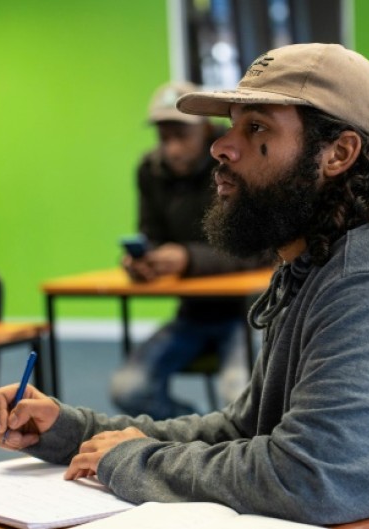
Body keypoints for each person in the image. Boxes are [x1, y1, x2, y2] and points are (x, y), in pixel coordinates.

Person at [0, 43, 369, 528]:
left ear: (338, 154)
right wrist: (76, 432)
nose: (222, 148)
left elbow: (311, 479)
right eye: (232, 125)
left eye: (257, 128)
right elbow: (247, 430)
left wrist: (132, 461)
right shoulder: (319, 259)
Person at [111, 81, 267, 419]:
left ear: (207, 130)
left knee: (240, 398)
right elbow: (152, 235)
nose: (172, 149)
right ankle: (200, 432)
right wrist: (146, 261)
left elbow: (260, 250)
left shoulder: (240, 162)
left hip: (249, 315)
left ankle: (220, 436)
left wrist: (188, 258)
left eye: (181, 136)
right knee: (127, 389)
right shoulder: (150, 170)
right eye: (164, 137)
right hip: (192, 315)